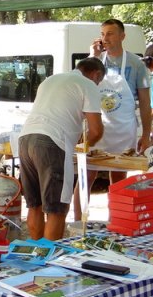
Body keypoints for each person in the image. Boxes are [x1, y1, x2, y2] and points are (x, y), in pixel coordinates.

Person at [18, 57, 105, 241]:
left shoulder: (50, 80)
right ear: (96, 74)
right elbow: (96, 131)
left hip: (25, 138)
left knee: (35, 206)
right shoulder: (88, 85)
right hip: (52, 142)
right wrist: (82, 148)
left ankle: (36, 253)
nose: (98, 84)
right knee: (57, 209)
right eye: (99, 81)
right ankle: (49, 263)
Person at [91, 19, 153, 152]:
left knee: (119, 168)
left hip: (124, 129)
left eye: (110, 34)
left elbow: (145, 102)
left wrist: (146, 135)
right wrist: (93, 56)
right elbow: (83, 86)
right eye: (102, 34)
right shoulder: (95, 61)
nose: (105, 38)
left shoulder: (136, 63)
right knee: (91, 169)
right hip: (98, 127)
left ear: (122, 36)